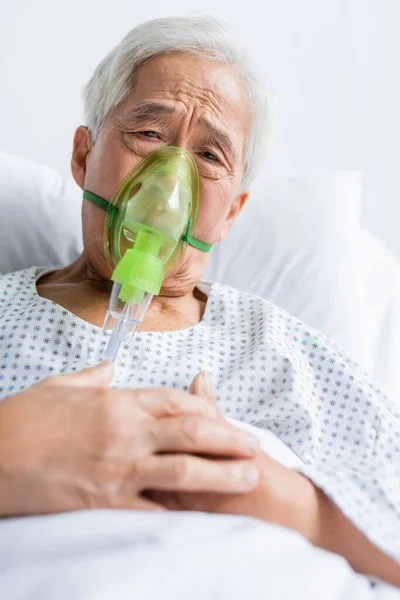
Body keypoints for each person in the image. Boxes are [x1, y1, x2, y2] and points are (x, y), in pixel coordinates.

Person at [0, 15, 399, 586]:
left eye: (210, 157)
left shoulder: (273, 346)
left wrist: (261, 490)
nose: (170, 182)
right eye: (148, 134)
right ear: (83, 157)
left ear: (231, 212)